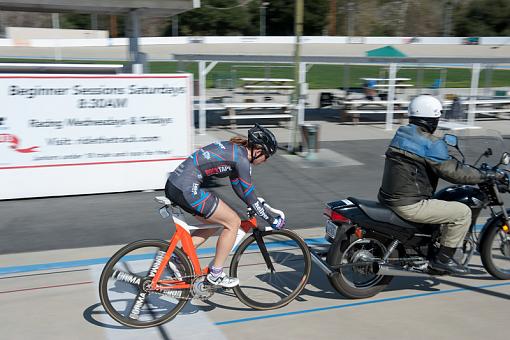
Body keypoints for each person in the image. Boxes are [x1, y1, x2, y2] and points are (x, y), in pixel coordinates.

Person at [377, 95, 504, 274]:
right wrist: (487, 175)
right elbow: (454, 173)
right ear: (432, 119)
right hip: (409, 203)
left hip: (389, 197)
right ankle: (444, 259)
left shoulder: (402, 133)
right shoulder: (431, 143)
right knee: (462, 213)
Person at [165, 124, 285, 287]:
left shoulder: (236, 151)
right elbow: (250, 195)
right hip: (187, 187)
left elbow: (239, 187)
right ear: (258, 151)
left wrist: (253, 203)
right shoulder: (242, 160)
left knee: (216, 223)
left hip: (176, 185)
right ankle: (216, 273)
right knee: (233, 222)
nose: (265, 161)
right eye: (267, 156)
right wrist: (272, 220)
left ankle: (177, 257)